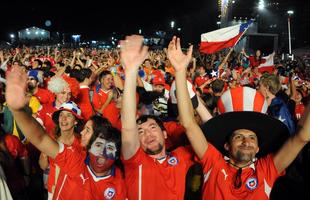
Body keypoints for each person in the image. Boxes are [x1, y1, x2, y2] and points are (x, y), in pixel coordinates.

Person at [169, 35, 310, 199]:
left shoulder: (267, 169)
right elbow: (189, 124)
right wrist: (180, 71)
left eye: (252, 137)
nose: (246, 141)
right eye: (239, 136)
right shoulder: (213, 163)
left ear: (258, 148)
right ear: (227, 146)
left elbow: (302, 137)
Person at [5, 66, 126, 200]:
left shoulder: (117, 181)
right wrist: (17, 111)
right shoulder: (75, 159)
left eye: (108, 147)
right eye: (63, 92)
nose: (64, 119)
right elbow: (40, 138)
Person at [120, 35, 194, 200]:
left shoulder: (182, 157)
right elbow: (128, 124)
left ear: (165, 134)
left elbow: (189, 123)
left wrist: (180, 72)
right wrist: (131, 71)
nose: (147, 134)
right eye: (141, 132)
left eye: (152, 128)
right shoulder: (135, 162)